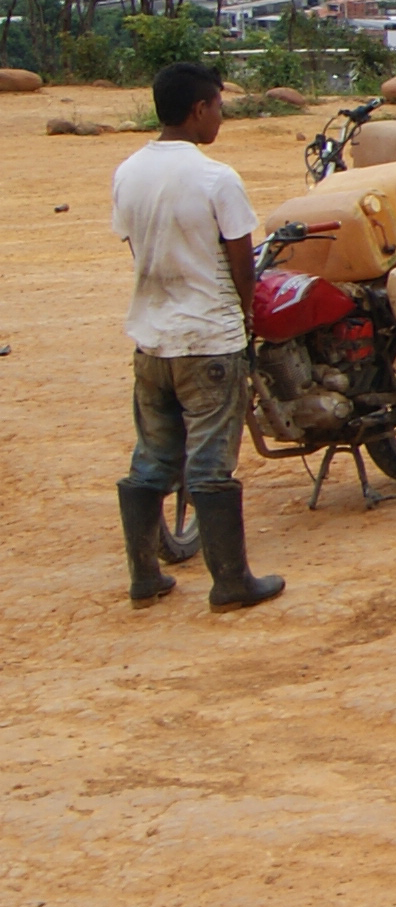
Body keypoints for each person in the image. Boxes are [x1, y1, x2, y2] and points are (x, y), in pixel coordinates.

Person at [110, 62, 281, 610]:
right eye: (218, 106)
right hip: (208, 338)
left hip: (152, 339)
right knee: (210, 465)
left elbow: (139, 249)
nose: (221, 117)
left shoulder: (128, 171)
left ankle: (145, 576)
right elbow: (241, 262)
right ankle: (231, 582)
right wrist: (247, 319)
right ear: (198, 109)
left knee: (152, 458)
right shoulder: (216, 178)